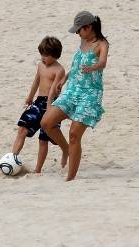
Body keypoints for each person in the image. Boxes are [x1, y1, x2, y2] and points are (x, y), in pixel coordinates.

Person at [41, 11, 109, 181]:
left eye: (79, 30)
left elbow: (103, 62)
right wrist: (63, 79)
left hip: (90, 94)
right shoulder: (83, 41)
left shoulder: (102, 43)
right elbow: (76, 65)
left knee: (74, 135)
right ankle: (65, 149)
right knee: (46, 122)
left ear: (89, 27)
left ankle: (70, 178)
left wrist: (93, 67)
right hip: (73, 90)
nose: (77, 33)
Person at [10, 36, 65, 173]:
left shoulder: (59, 70)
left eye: (46, 55)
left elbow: (54, 90)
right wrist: (30, 97)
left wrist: (50, 106)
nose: (42, 58)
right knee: (22, 128)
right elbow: (36, 81)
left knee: (43, 139)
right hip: (38, 102)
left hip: (52, 104)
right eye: (41, 54)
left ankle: (38, 169)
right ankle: (12, 158)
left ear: (55, 55)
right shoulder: (40, 65)